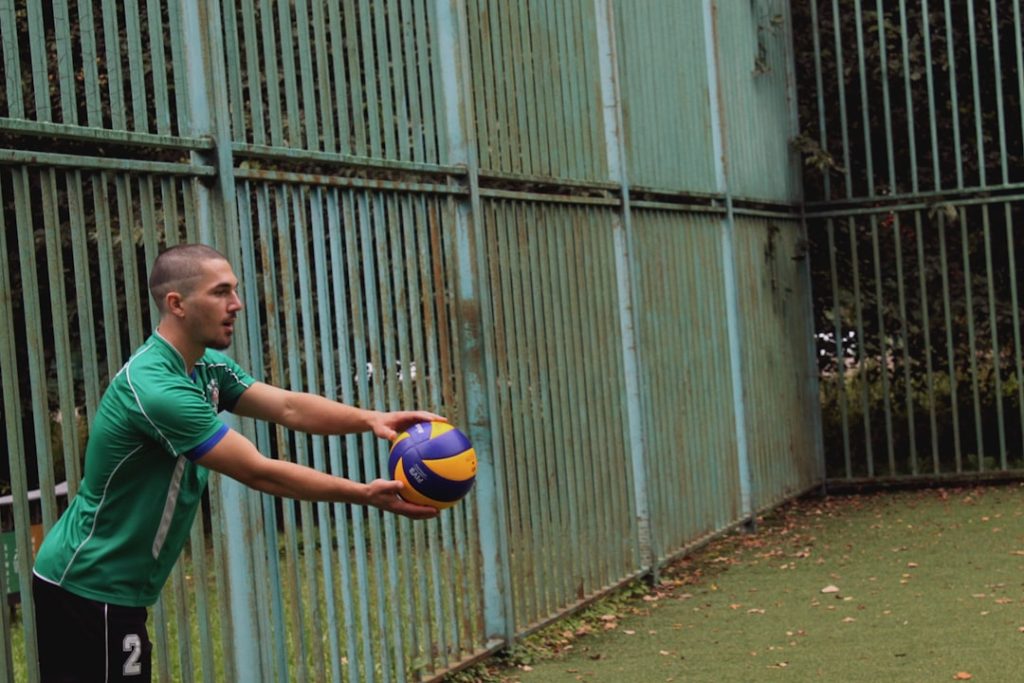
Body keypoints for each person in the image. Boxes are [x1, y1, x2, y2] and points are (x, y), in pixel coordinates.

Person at [31, 243, 441, 682]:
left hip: (113, 588)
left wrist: (371, 418)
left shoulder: (205, 367)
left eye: (235, 290)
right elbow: (257, 470)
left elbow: (286, 407)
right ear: (177, 304)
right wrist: (363, 494)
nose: (237, 304)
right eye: (221, 292)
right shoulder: (156, 389)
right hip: (87, 584)